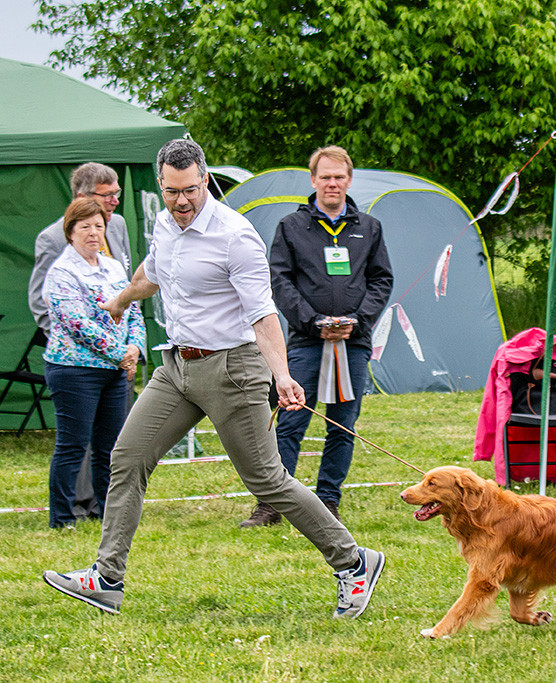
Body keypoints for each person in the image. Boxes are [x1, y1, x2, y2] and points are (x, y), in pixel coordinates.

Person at [42, 139, 384, 618]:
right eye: (171, 191)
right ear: (160, 185)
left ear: (205, 180)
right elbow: (153, 272)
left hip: (234, 369)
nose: (181, 201)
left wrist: (282, 375)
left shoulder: (234, 235)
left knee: (267, 481)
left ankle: (354, 562)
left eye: (190, 190)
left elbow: (262, 312)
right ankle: (107, 578)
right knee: (128, 456)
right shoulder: (164, 222)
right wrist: (121, 300)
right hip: (177, 368)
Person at [241, 146, 393, 527]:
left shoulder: (369, 228)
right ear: (312, 180)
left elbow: (381, 279)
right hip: (307, 341)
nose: (332, 184)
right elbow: (280, 280)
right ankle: (273, 502)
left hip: (353, 343)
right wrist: (313, 321)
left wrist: (358, 319)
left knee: (343, 425)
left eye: (339, 177)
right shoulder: (292, 227)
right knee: (291, 420)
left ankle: (328, 500)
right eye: (324, 176)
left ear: (349, 180)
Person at [28, 162, 134, 519]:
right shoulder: (54, 251)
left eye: (98, 226)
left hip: (115, 365)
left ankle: (106, 511)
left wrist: (132, 347)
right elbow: (66, 317)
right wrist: (116, 351)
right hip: (74, 365)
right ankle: (65, 512)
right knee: (74, 444)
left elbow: (130, 304)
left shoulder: (115, 248)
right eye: (108, 196)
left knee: (110, 447)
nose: (114, 202)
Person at [29, 163, 133, 333]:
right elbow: (40, 302)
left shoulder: (117, 224)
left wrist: (131, 342)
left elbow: (128, 287)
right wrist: (70, 341)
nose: (115, 201)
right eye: (107, 195)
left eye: (116, 193)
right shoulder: (52, 238)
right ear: (81, 197)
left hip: (121, 345)